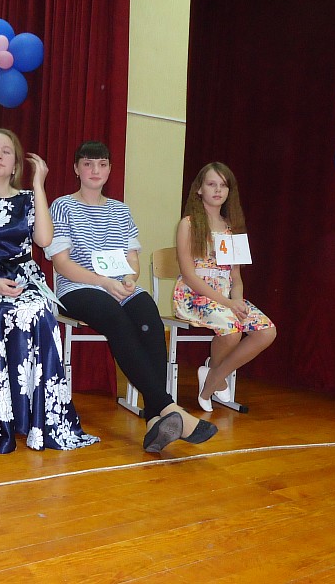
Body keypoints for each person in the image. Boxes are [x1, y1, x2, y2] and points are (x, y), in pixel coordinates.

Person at [45, 141, 217, 453]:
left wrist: (129, 278)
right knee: (116, 317)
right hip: (79, 287)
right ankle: (168, 407)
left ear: (110, 169)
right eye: (88, 164)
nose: (95, 170)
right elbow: (62, 264)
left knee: (149, 314)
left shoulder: (120, 210)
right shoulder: (63, 206)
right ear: (76, 169)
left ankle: (155, 420)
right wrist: (103, 282)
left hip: (119, 286)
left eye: (102, 164)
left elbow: (132, 258)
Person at [0, 128, 99, 454]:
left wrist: (38, 185)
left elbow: (45, 240)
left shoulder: (27, 199)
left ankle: (40, 422)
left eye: (6, 151)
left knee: (38, 311)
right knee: (3, 311)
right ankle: (5, 419)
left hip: (26, 280)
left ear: (15, 164)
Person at [173, 162, 276, 412]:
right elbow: (189, 275)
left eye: (223, 185)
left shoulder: (233, 228)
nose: (218, 190)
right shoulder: (188, 224)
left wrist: (237, 300)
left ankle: (213, 375)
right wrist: (228, 303)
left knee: (267, 332)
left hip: (226, 297)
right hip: (194, 295)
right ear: (199, 189)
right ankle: (213, 383)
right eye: (212, 184)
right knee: (232, 331)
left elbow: (236, 277)